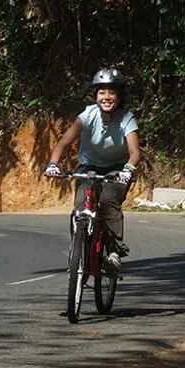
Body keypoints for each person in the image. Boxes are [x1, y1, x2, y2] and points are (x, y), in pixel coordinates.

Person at [44, 67, 141, 272]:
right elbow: (64, 142)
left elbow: (134, 152)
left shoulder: (126, 118)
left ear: (119, 96)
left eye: (112, 92)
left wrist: (127, 170)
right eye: (102, 92)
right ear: (95, 95)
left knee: (107, 201)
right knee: (80, 206)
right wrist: (53, 164)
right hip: (88, 167)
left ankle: (114, 252)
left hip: (117, 169)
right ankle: (78, 249)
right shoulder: (88, 115)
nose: (107, 97)